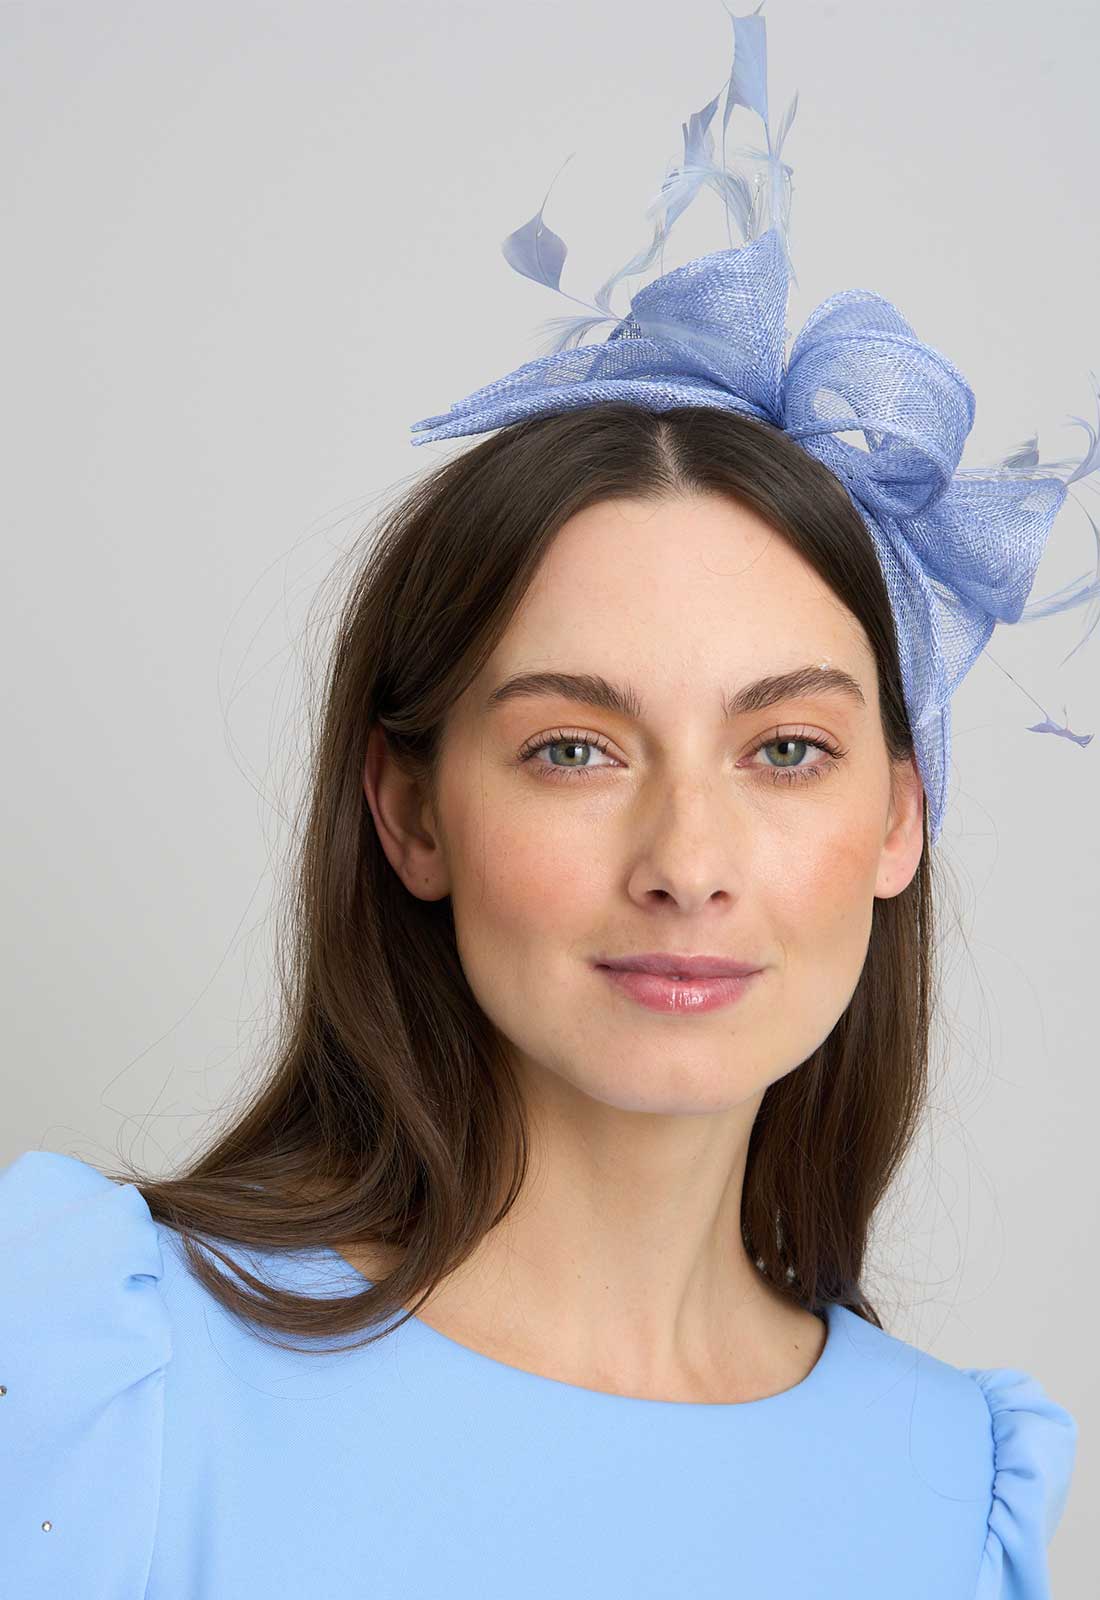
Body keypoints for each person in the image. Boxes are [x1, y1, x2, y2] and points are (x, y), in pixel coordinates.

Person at [1, 7, 1086, 1597]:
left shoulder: (950, 1488)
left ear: (900, 823)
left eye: (786, 749)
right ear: (410, 813)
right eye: (574, 748)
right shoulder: (110, 1368)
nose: (687, 865)